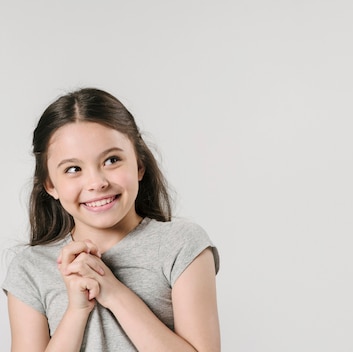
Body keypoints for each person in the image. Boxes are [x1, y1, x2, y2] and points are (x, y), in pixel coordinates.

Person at [2, 88, 221, 351]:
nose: (97, 182)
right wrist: (76, 311)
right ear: (50, 185)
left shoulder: (182, 245)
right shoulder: (30, 268)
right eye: (73, 169)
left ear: (139, 165)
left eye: (112, 160)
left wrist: (114, 292)